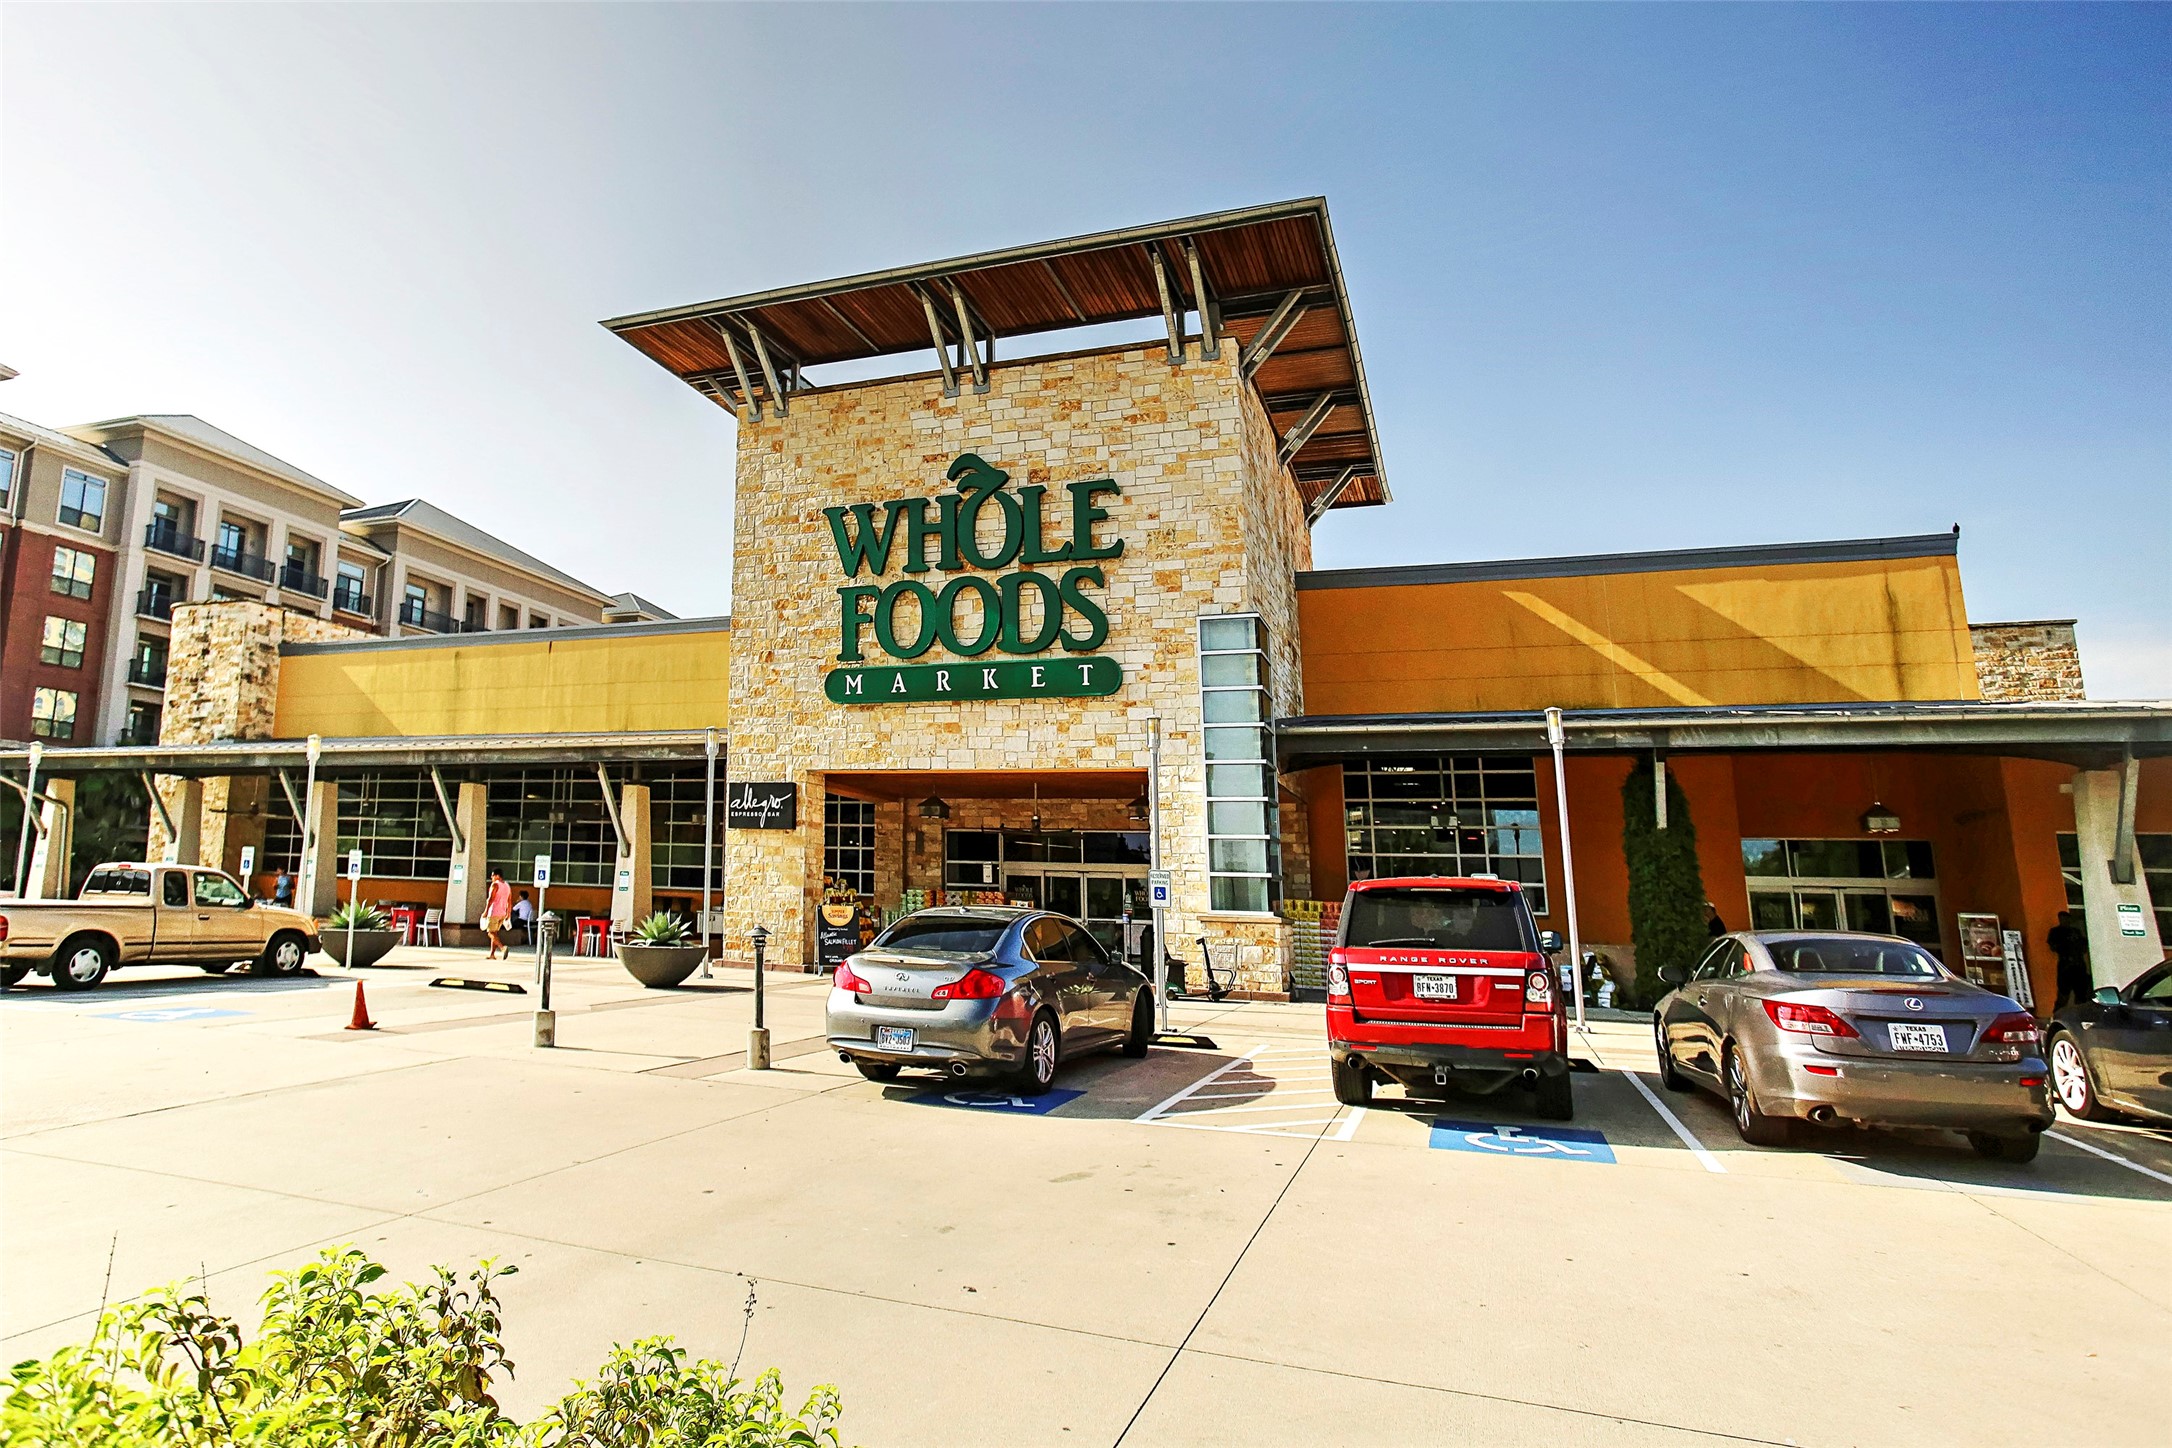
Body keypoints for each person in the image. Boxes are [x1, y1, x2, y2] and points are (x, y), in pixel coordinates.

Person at [2048, 910, 2091, 1008]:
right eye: (2062, 919)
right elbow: (2053, 946)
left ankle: (2080, 1015)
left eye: (2066, 918)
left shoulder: (2075, 932)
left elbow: (2083, 947)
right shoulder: (2056, 932)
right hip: (2066, 965)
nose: (2065, 921)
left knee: (2081, 993)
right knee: (2063, 993)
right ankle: (2058, 1016)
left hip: (2078, 965)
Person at [481, 870, 514, 960]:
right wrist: (508, 913)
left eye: (493, 875)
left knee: (490, 932)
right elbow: (509, 901)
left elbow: (490, 899)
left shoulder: (495, 885)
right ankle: (492, 954)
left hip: (494, 912)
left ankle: (502, 948)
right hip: (503, 913)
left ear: (498, 876)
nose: (491, 878)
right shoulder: (507, 886)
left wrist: (486, 911)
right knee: (495, 933)